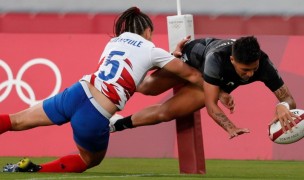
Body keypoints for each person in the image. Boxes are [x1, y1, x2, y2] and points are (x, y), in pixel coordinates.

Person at [1, 7, 204, 173]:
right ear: (148, 31)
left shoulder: (113, 41)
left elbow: (133, 61)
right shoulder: (151, 50)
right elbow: (193, 76)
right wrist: (216, 89)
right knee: (89, 160)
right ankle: (34, 169)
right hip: (95, 113)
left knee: (16, 120)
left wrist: (168, 56)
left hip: (75, 93)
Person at [110, 36, 300, 139]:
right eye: (245, 70)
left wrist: (282, 106)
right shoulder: (215, 58)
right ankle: (108, 86)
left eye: (254, 69)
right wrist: (230, 127)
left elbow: (289, 99)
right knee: (146, 87)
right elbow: (212, 105)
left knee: (165, 113)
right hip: (192, 61)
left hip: (215, 81)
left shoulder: (264, 65)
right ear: (232, 60)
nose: (250, 74)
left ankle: (116, 125)